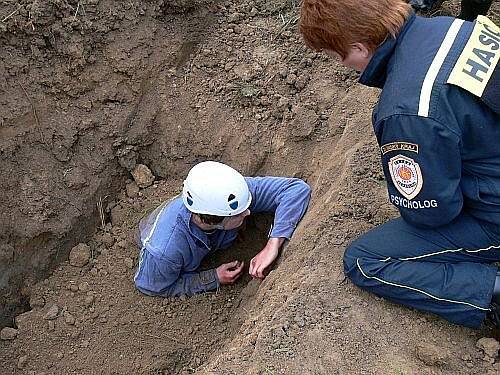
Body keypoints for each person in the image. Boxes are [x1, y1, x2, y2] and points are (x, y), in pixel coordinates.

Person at [300, 0, 500, 328]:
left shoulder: (407, 107)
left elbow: (433, 212)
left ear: (359, 48)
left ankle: (490, 295)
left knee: (366, 260)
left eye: (336, 55)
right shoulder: (455, 27)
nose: (342, 65)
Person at [134, 161, 311, 297]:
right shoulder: (165, 250)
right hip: (165, 249)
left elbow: (296, 190)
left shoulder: (230, 196)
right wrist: (213, 278)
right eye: (238, 214)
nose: (248, 212)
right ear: (213, 221)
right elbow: (153, 286)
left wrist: (273, 243)